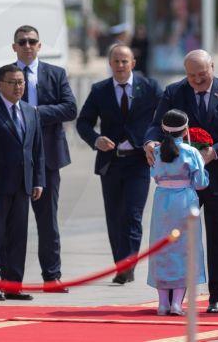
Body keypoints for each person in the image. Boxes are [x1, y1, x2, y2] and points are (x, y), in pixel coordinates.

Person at [145, 49, 218, 313]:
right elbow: (156, 124)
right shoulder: (174, 92)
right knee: (176, 239)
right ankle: (173, 297)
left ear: (212, 67)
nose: (196, 80)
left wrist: (212, 152)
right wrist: (149, 142)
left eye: (202, 74)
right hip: (181, 183)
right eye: (191, 76)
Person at [0, 25, 76, 293]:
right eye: (22, 42)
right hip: (9, 163)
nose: (27, 45)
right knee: (7, 224)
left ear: (39, 45)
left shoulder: (55, 74)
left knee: (48, 222)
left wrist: (33, 112)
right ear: (14, 47)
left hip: (47, 159)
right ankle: (1, 278)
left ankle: (52, 275)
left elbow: (70, 108)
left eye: (32, 41)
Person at [76, 44, 163, 284]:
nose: (120, 65)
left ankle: (128, 265)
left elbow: (164, 116)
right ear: (110, 63)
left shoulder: (150, 88)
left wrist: (154, 141)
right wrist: (96, 140)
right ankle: (120, 264)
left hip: (138, 162)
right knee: (115, 217)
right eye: (116, 61)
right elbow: (83, 122)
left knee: (133, 215)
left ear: (133, 63)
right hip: (111, 163)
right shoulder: (100, 90)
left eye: (125, 61)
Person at [0, 64, 45, 301]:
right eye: (13, 82)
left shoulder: (30, 111)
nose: (18, 87)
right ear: (0, 85)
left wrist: (38, 180)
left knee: (18, 236)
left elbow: (37, 150)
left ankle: (13, 284)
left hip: (23, 184)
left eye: (21, 82)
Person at [148, 109, 208, 316]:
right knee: (185, 249)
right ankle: (176, 303)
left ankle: (163, 303)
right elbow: (201, 183)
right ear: (185, 130)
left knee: (162, 248)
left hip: (162, 199)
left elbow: (154, 175)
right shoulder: (191, 152)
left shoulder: (156, 151)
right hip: (184, 200)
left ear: (163, 129)